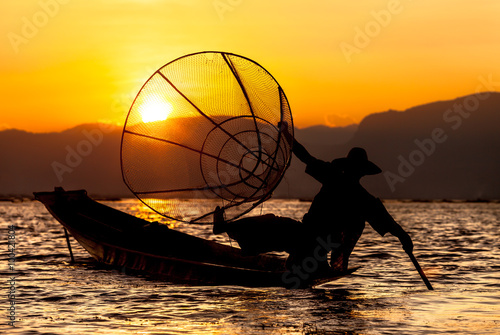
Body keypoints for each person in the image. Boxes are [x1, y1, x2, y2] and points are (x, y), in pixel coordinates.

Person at [213, 122, 413, 279]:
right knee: (271, 223)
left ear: (359, 172)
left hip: (312, 245)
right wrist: (286, 135)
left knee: (279, 234)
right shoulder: (338, 179)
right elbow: (305, 156)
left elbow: (386, 220)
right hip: (303, 234)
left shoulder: (356, 193)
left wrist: (404, 237)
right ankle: (224, 228)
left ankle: (312, 265)